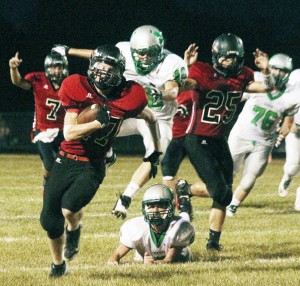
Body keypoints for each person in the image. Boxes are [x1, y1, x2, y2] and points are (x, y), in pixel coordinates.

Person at [40, 45, 161, 278]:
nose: (103, 71)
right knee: (49, 220)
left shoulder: (129, 95)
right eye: (100, 65)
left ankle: (74, 227)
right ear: (91, 66)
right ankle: (59, 264)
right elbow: (70, 133)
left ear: (120, 70)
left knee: (69, 206)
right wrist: (98, 122)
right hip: (66, 157)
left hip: (93, 163)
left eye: (109, 66)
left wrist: (155, 149)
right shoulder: (77, 86)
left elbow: (151, 117)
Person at [52, 25, 188, 219]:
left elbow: (173, 91)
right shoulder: (123, 51)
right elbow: (100, 56)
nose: (144, 58)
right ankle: (106, 153)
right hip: (129, 113)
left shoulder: (172, 62)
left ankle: (126, 198)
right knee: (97, 120)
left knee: (154, 156)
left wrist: (160, 94)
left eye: (149, 53)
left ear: (159, 50)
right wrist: (69, 50)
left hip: (159, 118)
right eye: (139, 54)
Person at [178, 33, 275, 251]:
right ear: (215, 57)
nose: (227, 62)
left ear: (239, 58)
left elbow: (267, 88)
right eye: (223, 58)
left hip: (219, 139)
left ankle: (213, 241)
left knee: (226, 192)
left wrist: (266, 70)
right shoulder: (202, 70)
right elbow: (184, 85)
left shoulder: (244, 76)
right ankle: (185, 190)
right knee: (222, 191)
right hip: (197, 137)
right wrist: (186, 67)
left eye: (231, 58)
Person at [225, 54, 300, 217]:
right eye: (275, 68)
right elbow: (235, 95)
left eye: (283, 70)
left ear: (288, 73)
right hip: (241, 134)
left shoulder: (293, 93)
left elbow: (290, 113)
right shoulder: (257, 79)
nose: (278, 73)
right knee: (227, 174)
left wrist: (288, 122)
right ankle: (221, 197)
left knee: (252, 175)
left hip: (264, 141)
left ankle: (233, 205)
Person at [9, 51, 69, 188]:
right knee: (49, 162)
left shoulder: (69, 84)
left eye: (60, 67)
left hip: (63, 130)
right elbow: (18, 82)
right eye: (54, 67)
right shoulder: (38, 79)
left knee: (66, 163)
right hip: (42, 130)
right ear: (48, 68)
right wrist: (13, 68)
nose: (57, 70)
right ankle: (47, 183)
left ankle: (59, 187)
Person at [107, 183, 195, 265]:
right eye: (151, 206)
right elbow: (116, 255)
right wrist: (113, 260)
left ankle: (184, 200)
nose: (156, 211)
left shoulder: (179, 227)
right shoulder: (136, 227)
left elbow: (168, 260)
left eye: (161, 205)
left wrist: (154, 263)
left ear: (170, 207)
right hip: (147, 252)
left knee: (184, 217)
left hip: (180, 255)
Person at [277, 69, 300, 209]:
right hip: (296, 128)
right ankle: (287, 178)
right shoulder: (297, 75)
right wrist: (288, 120)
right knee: (293, 165)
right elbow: (287, 99)